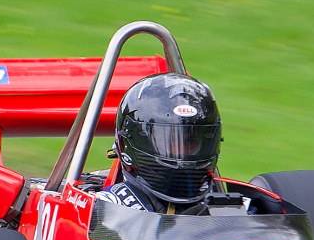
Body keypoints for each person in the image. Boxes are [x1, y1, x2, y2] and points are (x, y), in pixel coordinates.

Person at [96, 72, 228, 214]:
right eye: (170, 141)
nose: (182, 153)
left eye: (190, 141)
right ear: (137, 139)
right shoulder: (105, 208)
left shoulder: (231, 205)